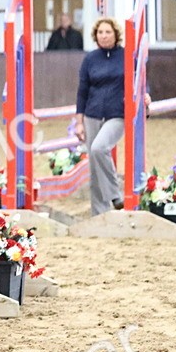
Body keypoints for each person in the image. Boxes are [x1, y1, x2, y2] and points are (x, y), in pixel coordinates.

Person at [72, 17, 126, 215]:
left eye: (108, 32)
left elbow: (141, 81)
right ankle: (99, 212)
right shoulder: (90, 59)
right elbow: (82, 91)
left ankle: (115, 195)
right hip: (92, 114)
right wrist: (79, 122)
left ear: (116, 34)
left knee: (99, 148)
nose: (104, 36)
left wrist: (145, 96)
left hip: (117, 114)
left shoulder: (127, 55)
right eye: (100, 32)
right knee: (94, 167)